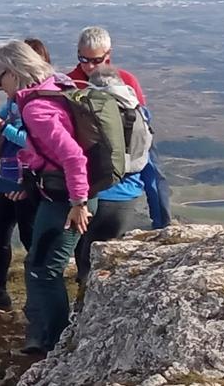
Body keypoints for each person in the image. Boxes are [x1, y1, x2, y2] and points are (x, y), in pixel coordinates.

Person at [0, 40, 97, 356]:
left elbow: (73, 156)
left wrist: (79, 203)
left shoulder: (37, 108)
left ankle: (57, 345)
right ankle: (54, 339)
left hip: (66, 200)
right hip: (61, 194)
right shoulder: (57, 85)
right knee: (43, 265)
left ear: (15, 72)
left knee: (44, 268)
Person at [0, 37, 49, 314]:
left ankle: (36, 298)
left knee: (29, 238)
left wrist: (3, 126)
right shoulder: (16, 103)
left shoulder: (37, 104)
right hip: (8, 178)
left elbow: (32, 142)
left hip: (27, 181)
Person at [69, 26, 171, 229]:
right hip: (90, 156)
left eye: (96, 60)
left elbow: (140, 121)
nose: (89, 66)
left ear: (108, 54)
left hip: (127, 149)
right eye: (84, 59)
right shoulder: (71, 82)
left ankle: (162, 224)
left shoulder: (126, 80)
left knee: (153, 170)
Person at [74, 66, 144, 294]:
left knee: (86, 261)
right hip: (128, 198)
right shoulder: (138, 110)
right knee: (112, 264)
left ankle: (82, 319)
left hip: (98, 196)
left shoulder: (92, 111)